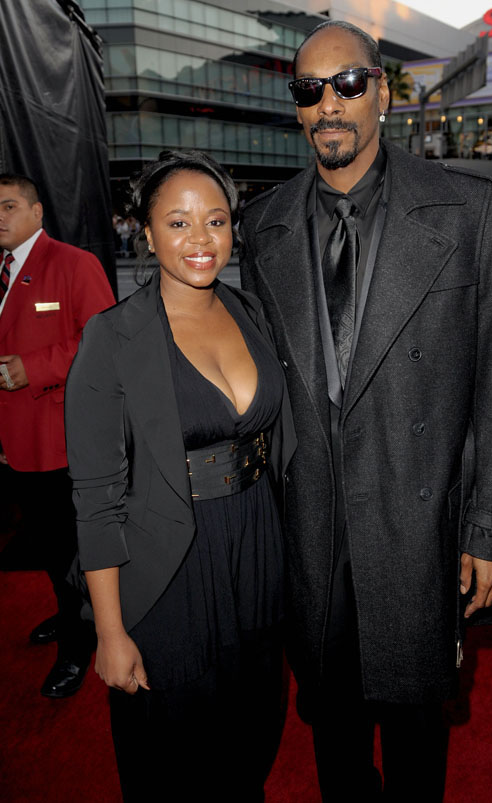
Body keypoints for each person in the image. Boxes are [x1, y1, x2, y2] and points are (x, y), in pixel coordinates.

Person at [239, 20, 492, 802]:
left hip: (416, 522)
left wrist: (491, 529)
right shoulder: (261, 227)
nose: (328, 105)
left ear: (383, 94)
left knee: (415, 734)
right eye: (310, 90)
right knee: (331, 730)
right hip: (313, 530)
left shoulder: (466, 213)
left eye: (348, 85)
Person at [65, 150, 296, 802]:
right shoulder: (112, 338)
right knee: (172, 757)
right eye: (178, 222)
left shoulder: (251, 310)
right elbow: (95, 497)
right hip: (170, 569)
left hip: (257, 550)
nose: (201, 240)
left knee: (252, 732)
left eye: (216, 220)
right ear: (145, 231)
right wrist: (109, 632)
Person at [0, 173, 115, 697]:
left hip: (59, 439)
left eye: (8, 206)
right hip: (13, 440)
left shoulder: (73, 264)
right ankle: (69, 615)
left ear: (37, 211)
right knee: (47, 546)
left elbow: (104, 339)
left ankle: (79, 640)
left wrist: (35, 367)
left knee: (71, 548)